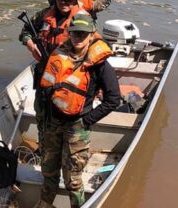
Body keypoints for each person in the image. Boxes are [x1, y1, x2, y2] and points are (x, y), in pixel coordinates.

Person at [36, 12, 121, 208]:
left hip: (77, 126)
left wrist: (87, 120)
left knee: (72, 178)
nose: (79, 38)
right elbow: (44, 89)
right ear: (69, 34)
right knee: (48, 171)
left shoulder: (100, 65)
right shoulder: (58, 55)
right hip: (52, 123)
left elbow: (113, 99)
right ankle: (45, 205)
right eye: (75, 33)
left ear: (92, 34)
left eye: (83, 34)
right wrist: (42, 120)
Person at [18, 0, 81, 149]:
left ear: (75, 0)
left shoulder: (82, 20)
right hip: (44, 74)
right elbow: (24, 32)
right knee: (42, 112)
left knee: (64, 115)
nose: (64, 2)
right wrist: (31, 45)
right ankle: (43, 146)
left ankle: (62, 149)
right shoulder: (43, 15)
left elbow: (90, 50)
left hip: (69, 77)